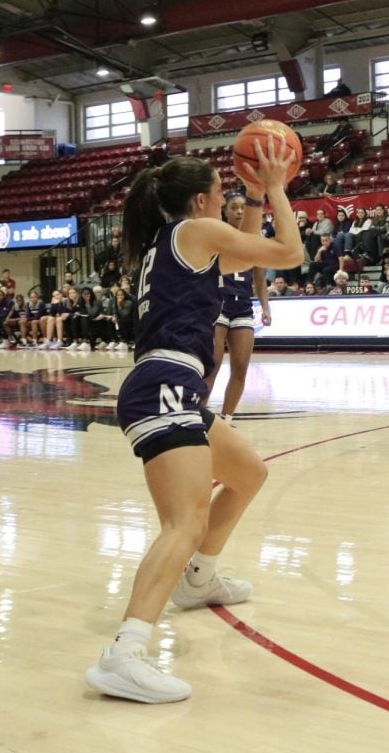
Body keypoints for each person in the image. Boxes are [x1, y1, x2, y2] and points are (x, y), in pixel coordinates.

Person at [84, 140, 301, 704]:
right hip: (164, 384)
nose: (228, 199)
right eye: (225, 193)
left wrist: (253, 196)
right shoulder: (194, 233)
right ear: (202, 199)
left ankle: (199, 578)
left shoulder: (181, 240)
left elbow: (249, 251)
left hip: (174, 385)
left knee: (249, 472)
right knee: (183, 523)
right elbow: (287, 252)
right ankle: (123, 655)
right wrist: (277, 185)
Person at [204, 190, 272, 421]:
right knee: (212, 365)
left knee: (241, 367)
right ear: (225, 211)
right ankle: (197, 415)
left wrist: (265, 308)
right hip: (218, 306)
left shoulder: (256, 242)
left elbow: (261, 280)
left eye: (243, 207)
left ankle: (226, 418)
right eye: (234, 207)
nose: (240, 211)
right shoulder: (218, 236)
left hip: (243, 307)